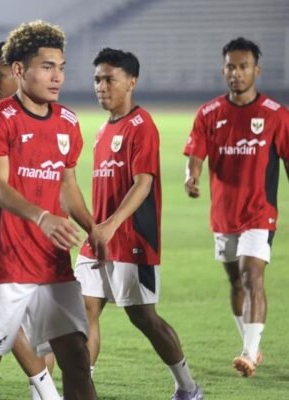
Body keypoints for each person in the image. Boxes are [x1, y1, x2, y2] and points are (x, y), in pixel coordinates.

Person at [0, 21, 100, 400]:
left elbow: (67, 185)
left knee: (76, 357)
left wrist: (93, 228)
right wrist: (41, 217)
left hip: (52, 264)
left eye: (61, 67)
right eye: (47, 67)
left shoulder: (68, 121)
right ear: (19, 69)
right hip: (4, 264)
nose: (57, 77)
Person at [74, 48, 204, 400]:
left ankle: (188, 387)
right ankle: (82, 388)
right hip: (97, 239)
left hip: (132, 239)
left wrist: (112, 225)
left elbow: (143, 183)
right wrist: (97, 228)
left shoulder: (142, 125)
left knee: (143, 317)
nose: (101, 86)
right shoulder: (103, 129)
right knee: (84, 312)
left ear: (131, 82)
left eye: (109, 79)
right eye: (97, 80)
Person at [183, 37, 289, 378]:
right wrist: (191, 177)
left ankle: (248, 352)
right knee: (236, 282)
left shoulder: (275, 114)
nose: (236, 73)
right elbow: (195, 153)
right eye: (231, 66)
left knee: (251, 274)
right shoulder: (209, 113)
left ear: (256, 70)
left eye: (243, 66)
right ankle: (251, 344)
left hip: (260, 212)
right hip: (224, 215)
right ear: (223, 70)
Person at [0, 40, 60, 400]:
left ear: (18, 72)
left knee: (49, 331)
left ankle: (43, 392)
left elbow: (63, 182)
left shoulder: (59, 120)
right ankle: (47, 391)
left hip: (46, 240)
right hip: (7, 241)